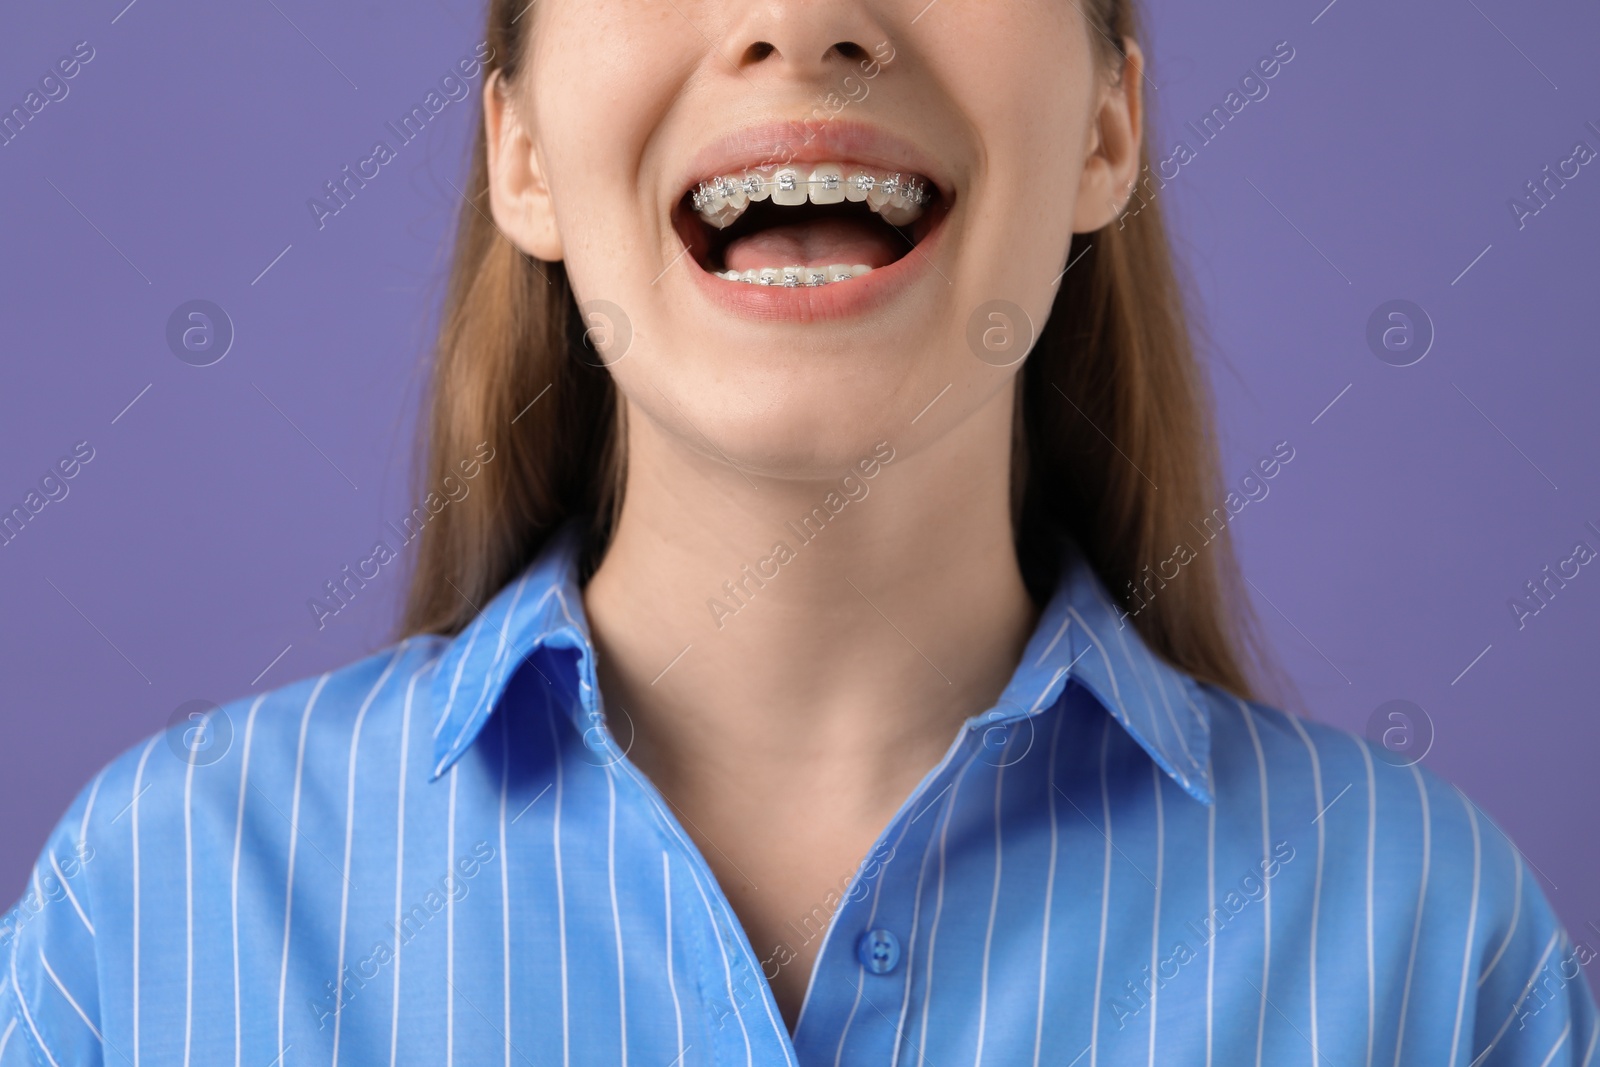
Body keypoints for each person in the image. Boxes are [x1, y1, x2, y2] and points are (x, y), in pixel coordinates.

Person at [3, 0, 1594, 1063]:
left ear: (1107, 130)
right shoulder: (152, 914)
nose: (803, 14)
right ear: (525, 155)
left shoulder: (1429, 952)